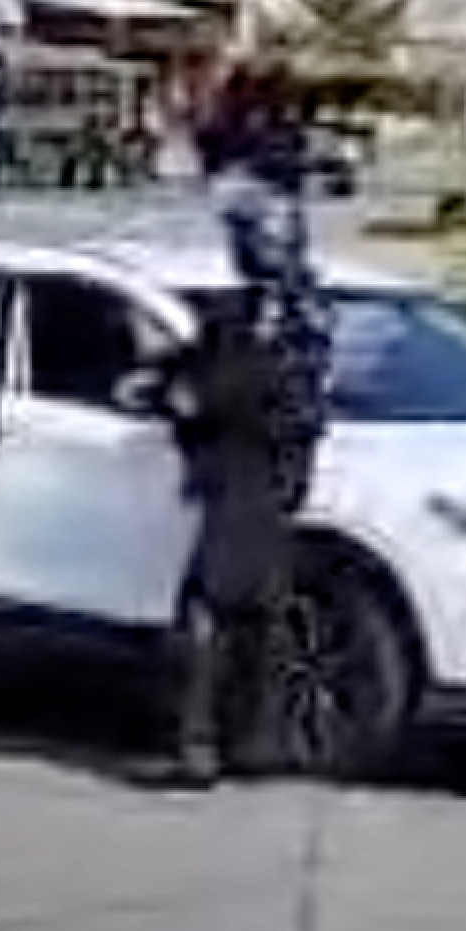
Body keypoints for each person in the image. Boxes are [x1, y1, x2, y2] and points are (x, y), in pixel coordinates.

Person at [149, 176, 337, 787]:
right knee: (263, 614)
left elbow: (227, 393)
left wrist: (185, 398)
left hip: (241, 474)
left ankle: (200, 746)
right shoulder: (305, 310)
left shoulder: (265, 319)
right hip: (275, 478)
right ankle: (257, 741)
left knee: (210, 611)